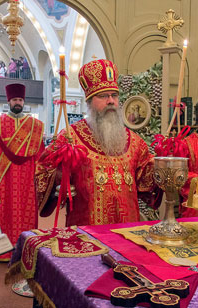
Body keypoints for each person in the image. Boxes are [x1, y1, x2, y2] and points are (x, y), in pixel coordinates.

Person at [36, 59, 162, 226]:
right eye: (103, 96)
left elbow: (147, 182)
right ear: (89, 102)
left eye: (114, 95)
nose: (111, 101)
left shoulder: (134, 141)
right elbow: (43, 171)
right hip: (87, 234)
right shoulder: (70, 138)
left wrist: (165, 164)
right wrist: (59, 181)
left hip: (126, 231)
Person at [0, 83, 45, 261]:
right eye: (14, 100)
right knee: (4, 213)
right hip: (5, 179)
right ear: (8, 101)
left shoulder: (35, 125)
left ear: (23, 101)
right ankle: (3, 252)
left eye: (20, 100)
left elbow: (40, 155)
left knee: (26, 215)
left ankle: (24, 252)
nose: (17, 102)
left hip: (27, 179)